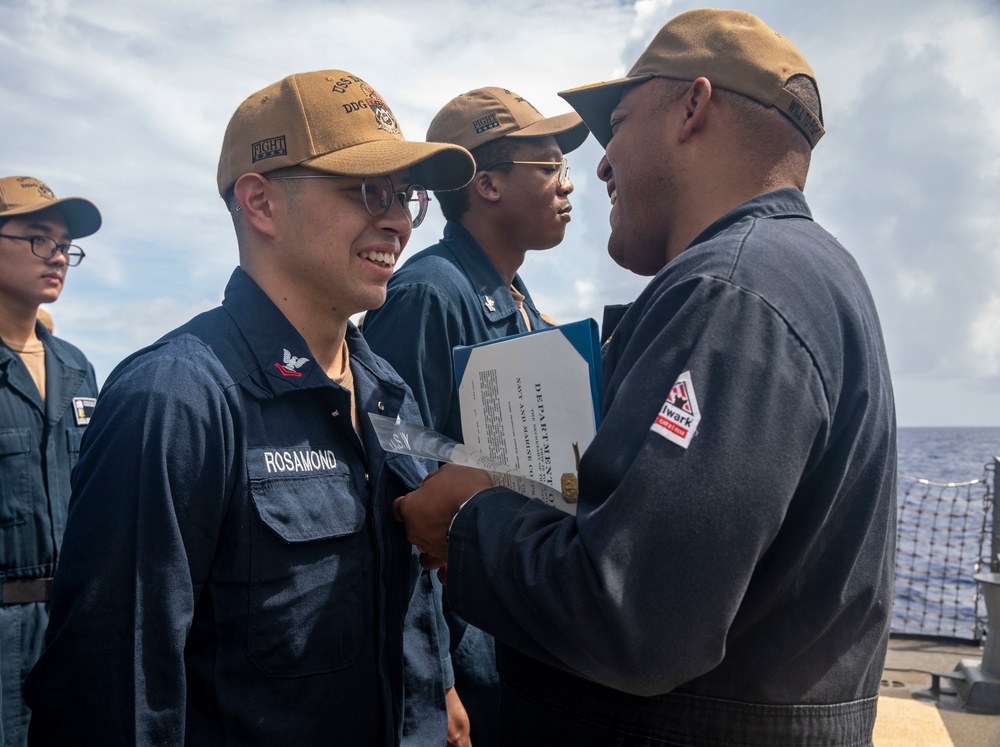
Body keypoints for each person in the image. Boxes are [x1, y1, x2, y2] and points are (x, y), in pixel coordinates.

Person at [394, 9, 897, 747]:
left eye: (617, 123)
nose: (597, 165)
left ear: (694, 107)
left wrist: (471, 523)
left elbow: (638, 614)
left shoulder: (731, 294)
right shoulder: (805, 272)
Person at [24, 70, 475, 746]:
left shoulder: (387, 390)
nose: (400, 219)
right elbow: (114, 694)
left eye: (406, 195)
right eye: (367, 191)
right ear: (260, 203)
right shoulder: (175, 401)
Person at [363, 86, 588, 747]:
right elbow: (401, 485)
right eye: (549, 167)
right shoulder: (430, 293)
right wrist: (437, 682)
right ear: (486, 183)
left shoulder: (516, 299)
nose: (569, 186)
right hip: (467, 656)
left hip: (517, 636)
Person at [0, 175, 101, 747]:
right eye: (39, 238)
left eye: (65, 245)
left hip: (71, 626)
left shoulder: (76, 367)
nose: (59, 255)